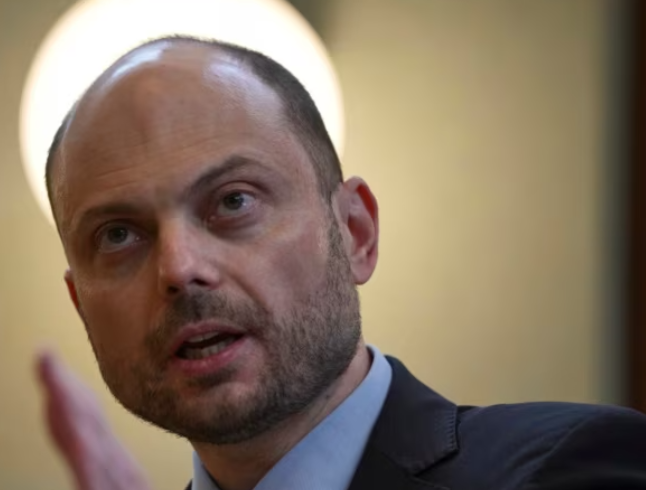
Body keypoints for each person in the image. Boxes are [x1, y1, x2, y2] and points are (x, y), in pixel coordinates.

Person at [33, 35, 646, 490]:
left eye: (233, 201)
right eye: (117, 235)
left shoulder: (573, 467)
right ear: (82, 308)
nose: (178, 268)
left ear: (355, 233)